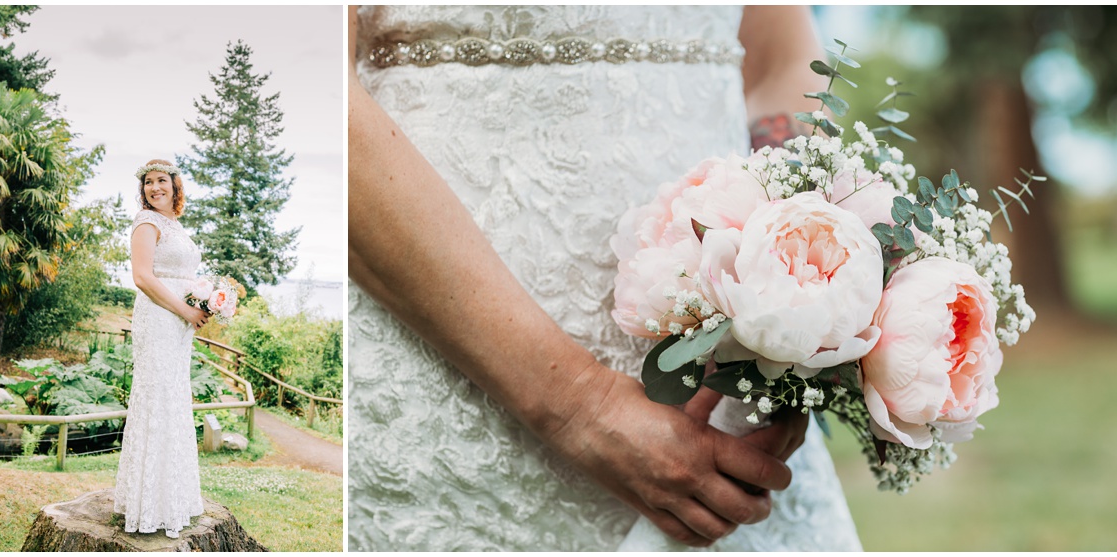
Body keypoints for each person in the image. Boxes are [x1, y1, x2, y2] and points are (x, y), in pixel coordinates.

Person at [347, 6, 862, 551]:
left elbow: (781, 66)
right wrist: (580, 405)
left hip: (728, 430)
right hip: (459, 426)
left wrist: (795, 304)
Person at [114, 159, 209, 538]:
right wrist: (186, 309)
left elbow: (182, 275)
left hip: (179, 322)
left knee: (174, 400)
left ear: (175, 186)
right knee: (156, 398)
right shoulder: (146, 222)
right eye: (148, 183)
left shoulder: (175, 227)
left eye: (161, 181)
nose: (155, 188)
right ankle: (146, 504)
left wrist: (205, 301)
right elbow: (142, 277)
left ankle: (173, 498)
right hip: (158, 319)